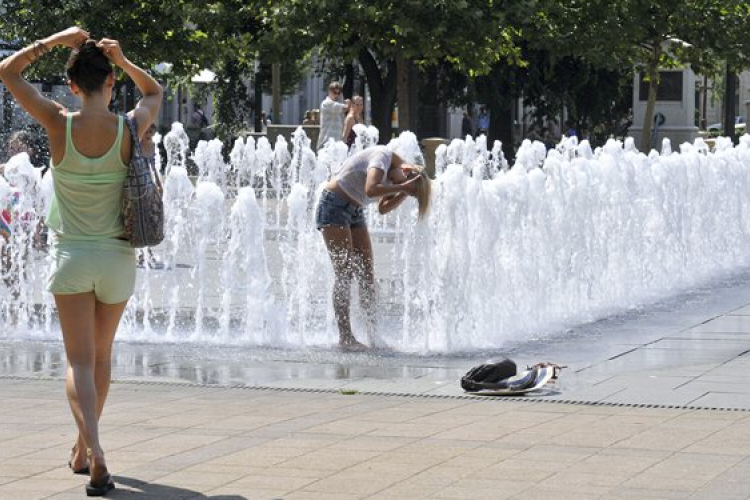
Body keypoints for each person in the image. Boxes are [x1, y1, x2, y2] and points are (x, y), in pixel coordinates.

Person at [0, 27, 163, 496]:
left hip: (70, 256)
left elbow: (7, 71)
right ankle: (83, 448)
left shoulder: (58, 123)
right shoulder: (131, 126)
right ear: (111, 82)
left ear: (72, 86)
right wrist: (124, 55)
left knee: (78, 361)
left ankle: (95, 451)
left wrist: (56, 40)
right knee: (101, 357)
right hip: (117, 259)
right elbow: (155, 90)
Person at [315, 146, 431, 350]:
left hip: (355, 210)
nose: (396, 184)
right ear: (405, 169)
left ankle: (374, 337)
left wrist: (403, 192)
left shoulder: (397, 175)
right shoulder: (382, 157)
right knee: (344, 273)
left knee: (367, 274)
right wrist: (403, 187)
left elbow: (383, 208)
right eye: (399, 181)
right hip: (333, 205)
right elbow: (370, 189)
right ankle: (346, 337)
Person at [316, 81, 349, 150]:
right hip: (326, 144)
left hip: (336, 144)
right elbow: (346, 108)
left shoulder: (336, 104)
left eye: (338, 93)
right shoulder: (327, 103)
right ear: (329, 92)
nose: (336, 95)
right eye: (334, 93)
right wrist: (348, 102)